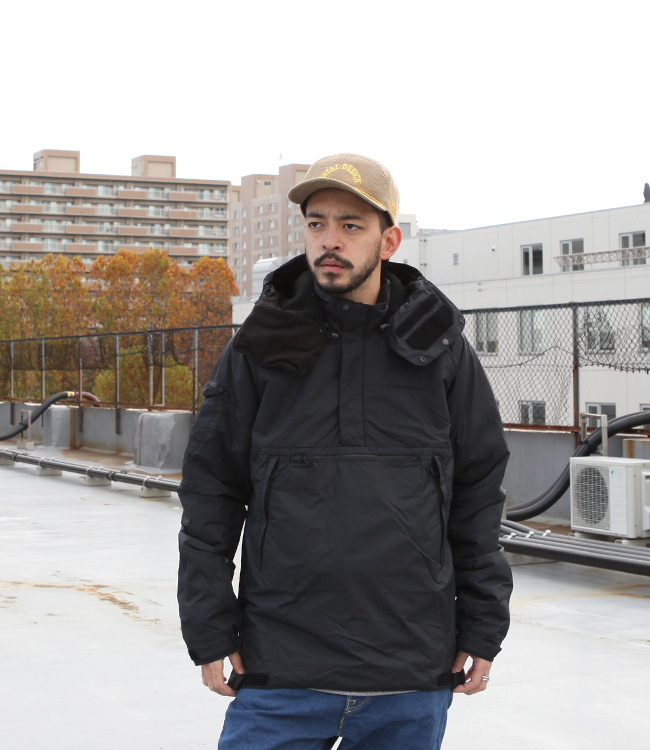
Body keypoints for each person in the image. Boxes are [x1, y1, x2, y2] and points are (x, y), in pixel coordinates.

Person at [177, 153, 512, 750]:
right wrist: (208, 625)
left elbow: (478, 492)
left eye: (351, 225)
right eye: (317, 224)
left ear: (389, 240)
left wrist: (484, 624)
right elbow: (211, 491)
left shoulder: (439, 348)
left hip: (410, 673)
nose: (329, 240)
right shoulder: (263, 342)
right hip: (280, 669)